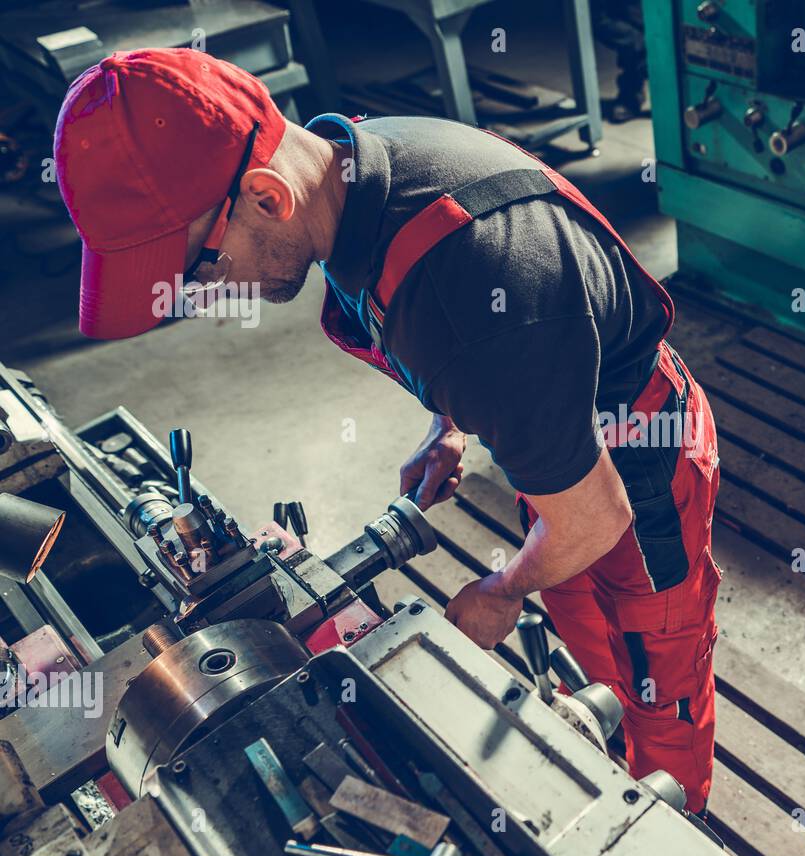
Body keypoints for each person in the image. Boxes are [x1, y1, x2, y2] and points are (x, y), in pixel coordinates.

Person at [54, 48, 721, 812]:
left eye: (201, 271)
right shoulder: (355, 170)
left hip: (637, 467)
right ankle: (602, 727)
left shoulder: (475, 294)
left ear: (266, 198)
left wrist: (501, 591)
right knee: (587, 627)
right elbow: (477, 336)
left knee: (657, 674)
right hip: (560, 443)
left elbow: (596, 514)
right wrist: (451, 426)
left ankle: (672, 818)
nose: (206, 297)